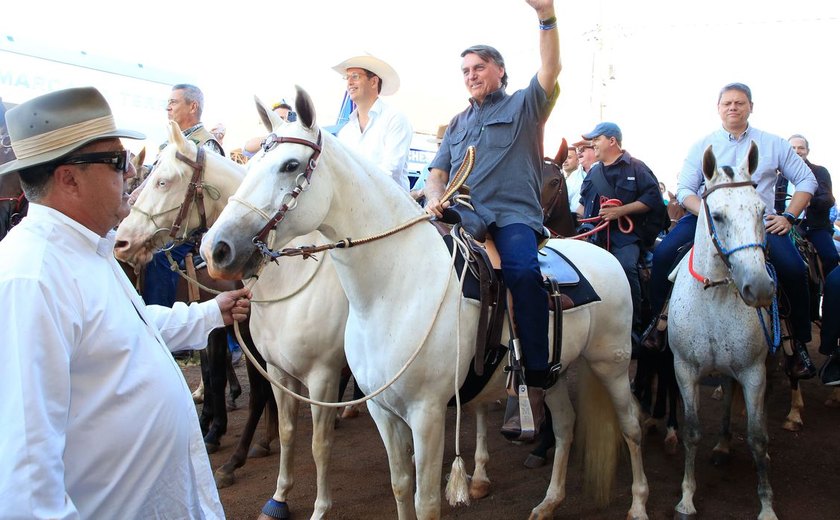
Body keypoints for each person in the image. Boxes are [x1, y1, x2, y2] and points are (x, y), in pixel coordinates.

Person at [0, 86, 252, 518]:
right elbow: (26, 475)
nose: (131, 175)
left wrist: (211, 312)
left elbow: (127, 329)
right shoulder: (30, 277)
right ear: (69, 178)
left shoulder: (84, 248)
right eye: (117, 162)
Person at [424, 0, 561, 440]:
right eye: (465, 70)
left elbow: (551, 67)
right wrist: (432, 198)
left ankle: (534, 382)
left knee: (522, 272)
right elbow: (437, 172)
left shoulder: (525, 105)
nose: (471, 75)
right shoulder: (458, 122)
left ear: (499, 71)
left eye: (478, 67)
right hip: (461, 216)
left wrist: (546, 16)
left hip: (511, 217)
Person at [643, 82, 818, 380]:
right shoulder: (702, 145)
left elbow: (806, 181)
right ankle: (657, 325)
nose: (733, 107)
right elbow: (685, 188)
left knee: (793, 269)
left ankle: (797, 344)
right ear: (719, 108)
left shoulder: (774, 143)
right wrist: (707, 215)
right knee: (662, 256)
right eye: (728, 103)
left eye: (739, 102)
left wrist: (789, 216)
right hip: (707, 220)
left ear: (751, 106)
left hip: (758, 224)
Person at [574, 122, 661, 333]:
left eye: (597, 139)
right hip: (594, 237)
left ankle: (631, 327)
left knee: (625, 268)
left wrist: (620, 211)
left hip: (626, 237)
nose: (592, 144)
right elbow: (582, 206)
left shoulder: (637, 168)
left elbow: (653, 199)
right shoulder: (593, 173)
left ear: (612, 141)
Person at [332, 53, 413, 191]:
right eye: (347, 77)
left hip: (392, 210)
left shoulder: (395, 119)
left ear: (374, 82)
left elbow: (390, 172)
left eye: (355, 76)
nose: (349, 82)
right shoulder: (346, 132)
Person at [775, 134, 838, 276]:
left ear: (807, 151)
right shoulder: (780, 177)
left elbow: (828, 199)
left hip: (814, 227)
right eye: (793, 148)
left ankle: (832, 294)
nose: (797, 151)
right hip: (786, 225)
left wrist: (808, 202)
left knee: (830, 257)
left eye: (801, 148)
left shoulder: (820, 171)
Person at [562, 141, 586, 206]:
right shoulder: (562, 180)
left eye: (569, 157)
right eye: (564, 157)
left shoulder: (585, 176)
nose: (565, 161)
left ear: (578, 160)